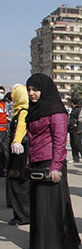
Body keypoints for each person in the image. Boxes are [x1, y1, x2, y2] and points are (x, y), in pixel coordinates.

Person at [25, 73, 81, 249]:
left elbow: (59, 140)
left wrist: (56, 166)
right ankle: (43, 244)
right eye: (29, 90)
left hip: (51, 161)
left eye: (35, 90)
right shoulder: (34, 109)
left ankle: (61, 244)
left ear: (45, 89)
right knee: (40, 205)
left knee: (55, 205)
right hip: (36, 161)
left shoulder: (56, 111)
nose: (32, 94)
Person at [6, 84, 30, 225]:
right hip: (18, 151)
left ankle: (22, 216)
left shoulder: (23, 112)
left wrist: (16, 141)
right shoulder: (18, 111)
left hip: (20, 153)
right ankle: (20, 214)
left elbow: (21, 128)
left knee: (19, 184)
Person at [67, 98, 82, 163]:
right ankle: (75, 158)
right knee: (73, 144)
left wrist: (80, 129)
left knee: (77, 143)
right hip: (72, 129)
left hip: (77, 129)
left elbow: (80, 120)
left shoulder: (78, 110)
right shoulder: (73, 110)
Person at [0, 86, 9, 177]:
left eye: (2, 92)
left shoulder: (3, 105)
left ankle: (4, 169)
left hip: (4, 131)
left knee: (5, 152)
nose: (1, 94)